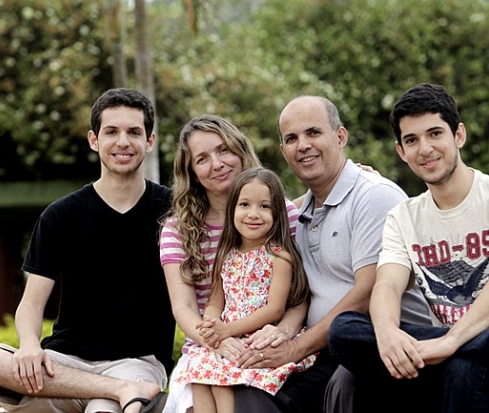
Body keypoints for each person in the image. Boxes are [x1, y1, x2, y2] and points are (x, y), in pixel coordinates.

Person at [327, 83, 489, 412]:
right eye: (412, 140)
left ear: (458, 135)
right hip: (442, 355)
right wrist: (387, 332)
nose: (425, 149)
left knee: (463, 368)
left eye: (435, 134)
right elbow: (387, 285)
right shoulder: (402, 218)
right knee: (344, 330)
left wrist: (449, 341)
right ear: (401, 152)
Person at [0, 88, 174, 413]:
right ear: (94, 140)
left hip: (136, 363)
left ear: (150, 142)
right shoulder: (60, 216)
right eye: (111, 132)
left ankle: (115, 392)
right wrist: (28, 346)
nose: (123, 142)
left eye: (134, 132)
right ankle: (119, 391)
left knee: (103, 409)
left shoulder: (174, 210)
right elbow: (31, 305)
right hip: (63, 365)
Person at [232, 95, 433, 413]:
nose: (303, 146)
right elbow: (252, 215)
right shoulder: (297, 214)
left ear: (340, 137)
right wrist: (280, 335)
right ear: (284, 152)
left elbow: (368, 293)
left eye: (313, 133)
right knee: (244, 387)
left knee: (345, 384)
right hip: (321, 349)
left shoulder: (374, 196)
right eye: (292, 139)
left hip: (386, 345)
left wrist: (294, 348)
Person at [159, 115, 305, 413]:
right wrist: (216, 338)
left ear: (240, 150)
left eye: (223, 150)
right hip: (207, 345)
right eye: (202, 159)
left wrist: (284, 332)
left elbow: (302, 291)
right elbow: (184, 308)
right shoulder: (178, 229)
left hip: (267, 340)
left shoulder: (283, 217)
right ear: (193, 173)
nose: (217, 163)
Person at [180, 166, 316, 413]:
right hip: (228, 338)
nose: (253, 214)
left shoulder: (279, 257)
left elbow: (274, 310)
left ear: (278, 213)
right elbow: (214, 303)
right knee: (198, 376)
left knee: (221, 383)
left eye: (264, 206)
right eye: (244, 204)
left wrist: (226, 330)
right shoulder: (227, 254)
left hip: (255, 340)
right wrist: (211, 325)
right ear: (232, 208)